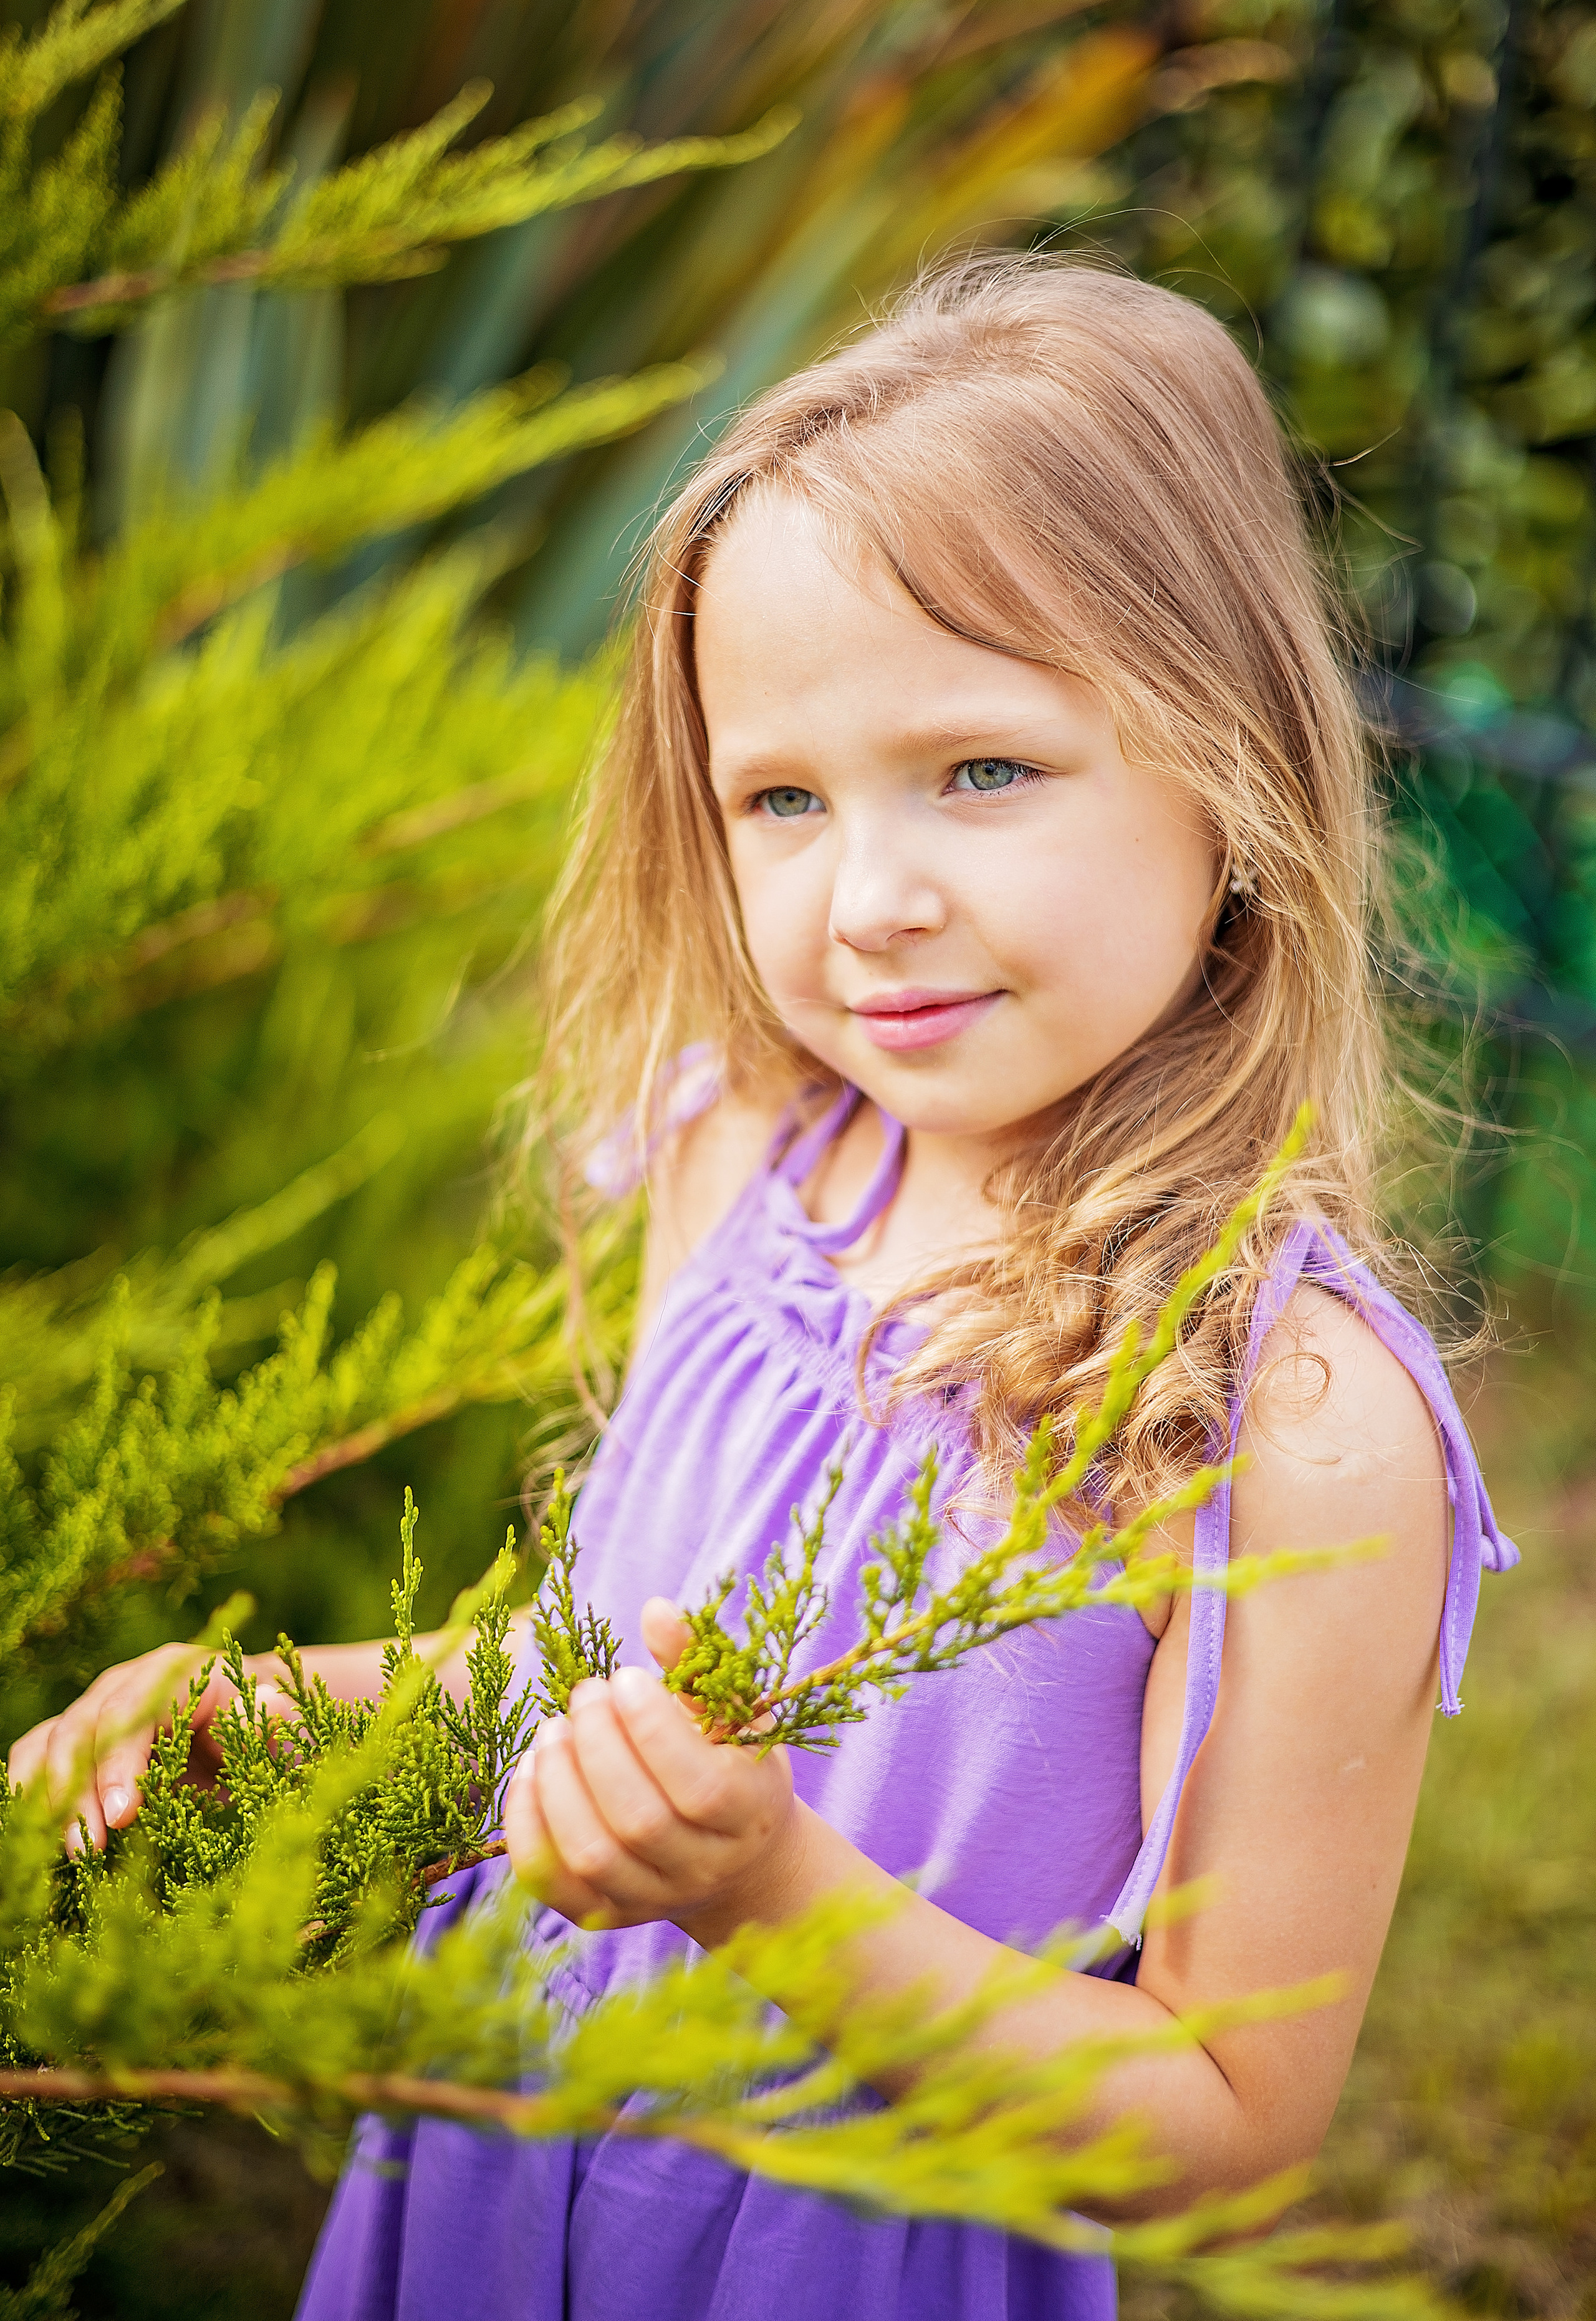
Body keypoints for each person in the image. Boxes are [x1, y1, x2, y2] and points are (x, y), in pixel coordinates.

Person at [10, 258, 1519, 2321]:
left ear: (1231, 772)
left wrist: (775, 1903)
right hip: (495, 2165)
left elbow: (1231, 2117)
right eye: (783, 800)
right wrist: (272, 1719)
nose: (871, 899)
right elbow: (600, 1691)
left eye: (982, 771)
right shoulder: (748, 1160)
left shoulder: (1289, 1424)